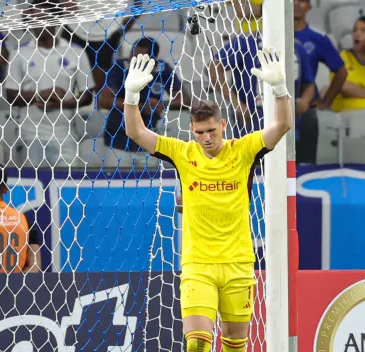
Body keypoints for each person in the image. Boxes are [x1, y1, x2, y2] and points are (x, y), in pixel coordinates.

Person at [123, 49, 292, 351]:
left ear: (223, 126)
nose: (207, 138)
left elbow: (282, 126)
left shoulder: (244, 150)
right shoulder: (182, 153)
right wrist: (131, 96)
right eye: (200, 132)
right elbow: (136, 131)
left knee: (234, 346)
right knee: (197, 345)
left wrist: (280, 90)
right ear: (192, 130)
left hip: (238, 264)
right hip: (197, 265)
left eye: (212, 130)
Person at [5, 0, 95, 167]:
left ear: (54, 19)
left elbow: (87, 95)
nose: (34, 24)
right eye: (32, 19)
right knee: (32, 188)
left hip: (65, 134)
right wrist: (41, 96)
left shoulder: (76, 52)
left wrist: (61, 103)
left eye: (39, 18)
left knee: (67, 187)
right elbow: (10, 95)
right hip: (30, 134)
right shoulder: (19, 53)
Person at [99, 37, 190, 168]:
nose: (134, 60)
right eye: (133, 55)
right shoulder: (120, 67)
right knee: (114, 183)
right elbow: (106, 101)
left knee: (150, 185)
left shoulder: (163, 69)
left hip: (149, 142)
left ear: (154, 60)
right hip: (118, 141)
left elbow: (184, 101)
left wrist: (159, 105)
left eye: (140, 57)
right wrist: (142, 107)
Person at [294, 0, 347, 110]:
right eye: (292, 0)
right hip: (277, 104)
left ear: (309, 7)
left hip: (307, 107)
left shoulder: (318, 37)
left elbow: (341, 72)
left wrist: (326, 102)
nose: (296, 3)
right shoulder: (273, 34)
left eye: (302, 1)